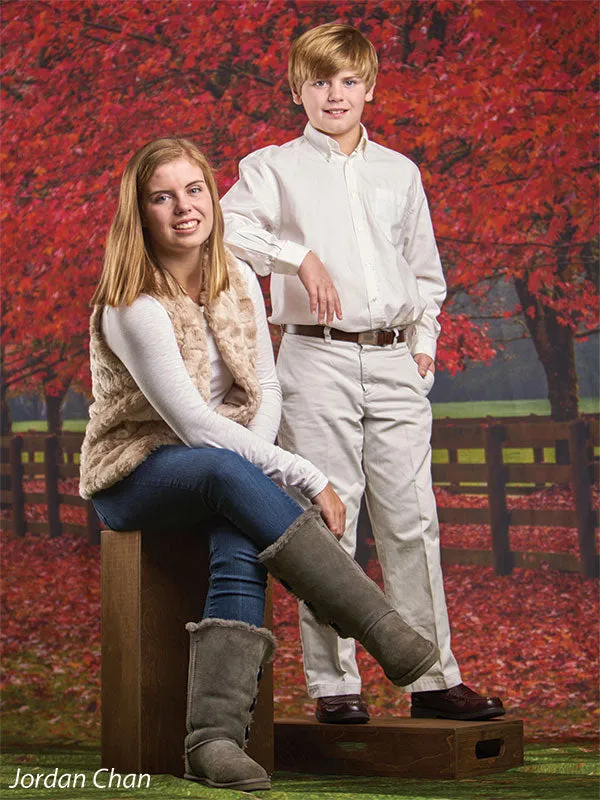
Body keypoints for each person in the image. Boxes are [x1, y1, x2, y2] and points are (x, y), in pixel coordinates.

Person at [79, 137, 440, 791]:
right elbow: (191, 426)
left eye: (194, 190)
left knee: (238, 531)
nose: (183, 208)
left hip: (229, 465)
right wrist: (301, 473)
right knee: (224, 475)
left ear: (212, 199)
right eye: (162, 197)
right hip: (137, 469)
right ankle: (375, 621)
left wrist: (263, 469)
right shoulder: (133, 305)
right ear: (141, 212)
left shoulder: (238, 277)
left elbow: (264, 390)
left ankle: (214, 741)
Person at [221, 23, 505, 724]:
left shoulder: (399, 173)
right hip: (314, 357)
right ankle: (334, 686)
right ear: (298, 91)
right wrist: (298, 257)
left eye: (348, 80)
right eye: (319, 81)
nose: (335, 94)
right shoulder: (272, 167)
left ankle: (434, 680)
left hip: (394, 358)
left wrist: (424, 345)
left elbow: (425, 272)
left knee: (414, 522)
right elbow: (225, 228)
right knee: (328, 521)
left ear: (370, 87)